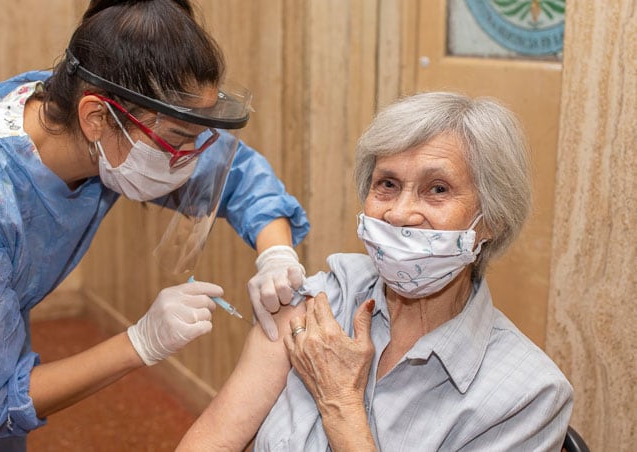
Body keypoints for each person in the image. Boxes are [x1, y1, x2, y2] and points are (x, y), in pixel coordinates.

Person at [0, 0, 309, 449]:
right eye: (180, 140)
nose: (191, 158)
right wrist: (139, 343)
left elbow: (238, 177)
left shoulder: (83, 118)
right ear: (97, 117)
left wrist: (275, 252)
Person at [177, 92, 574, 451]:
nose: (399, 213)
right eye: (387, 183)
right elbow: (213, 440)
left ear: (492, 221)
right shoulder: (322, 300)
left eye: (438, 189)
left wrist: (341, 403)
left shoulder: (528, 395)